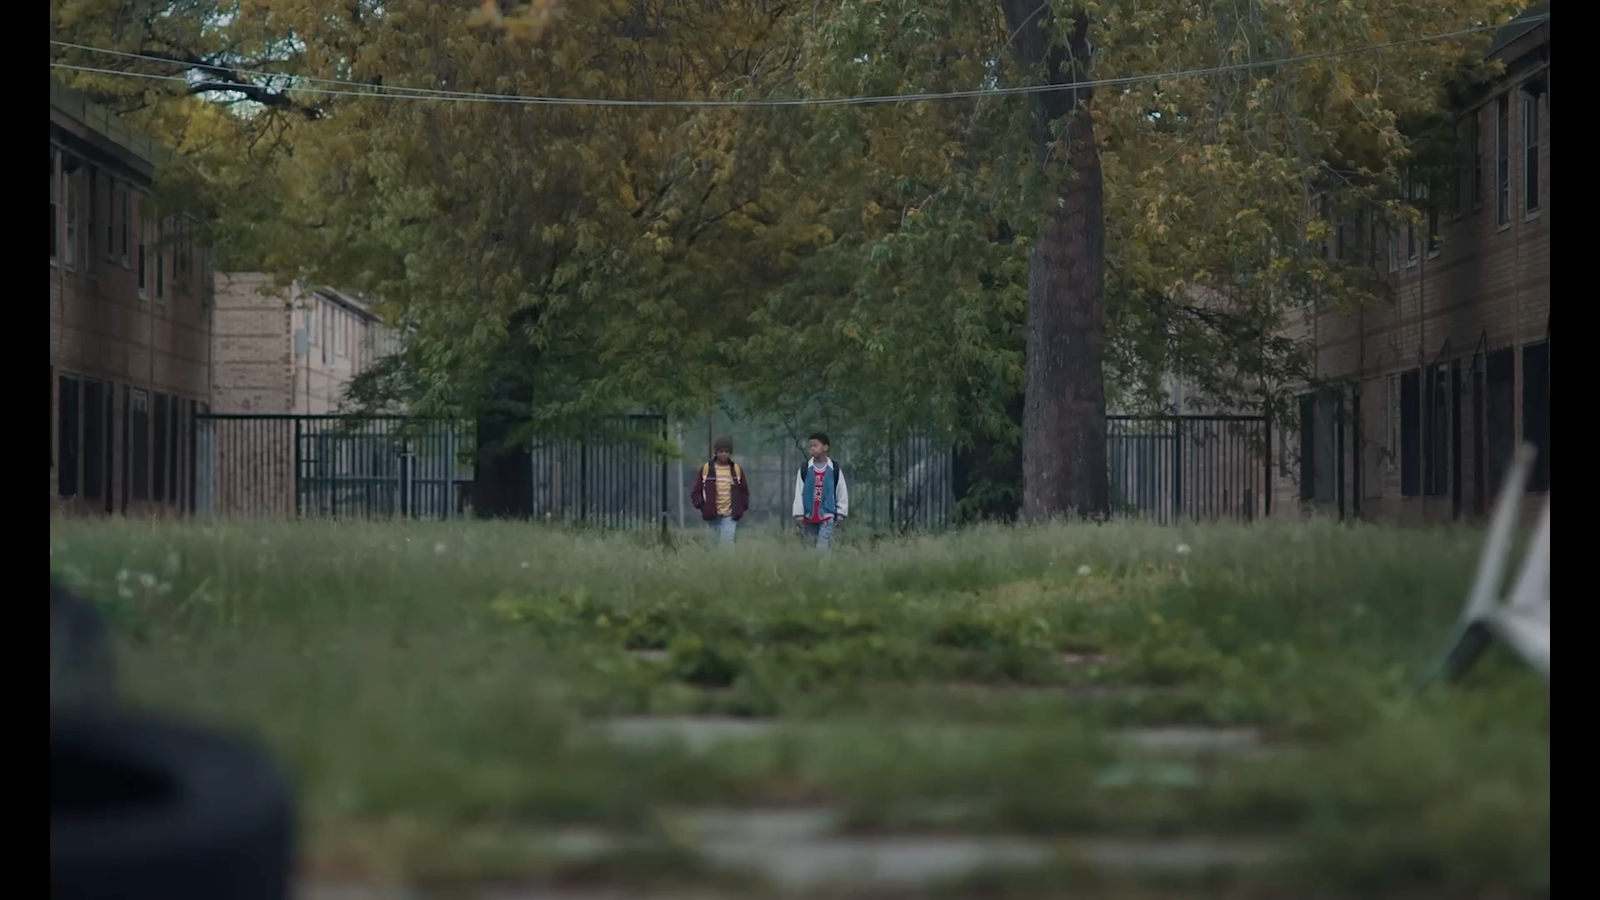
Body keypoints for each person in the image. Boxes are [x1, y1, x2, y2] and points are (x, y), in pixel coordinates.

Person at [792, 432, 849, 552]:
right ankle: (812, 569)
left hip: (827, 516)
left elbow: (841, 491)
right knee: (809, 547)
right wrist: (798, 514)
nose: (812, 448)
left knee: (822, 548)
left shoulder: (834, 469)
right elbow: (799, 492)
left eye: (815, 445)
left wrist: (841, 513)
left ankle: (823, 568)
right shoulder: (805, 469)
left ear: (825, 447)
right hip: (809, 516)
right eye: (810, 446)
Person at [690, 436, 749, 546]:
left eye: (726, 451)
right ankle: (716, 563)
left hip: (730, 515)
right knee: (713, 545)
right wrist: (703, 507)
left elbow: (744, 491)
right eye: (721, 451)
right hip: (712, 515)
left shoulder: (736, 470)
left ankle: (728, 563)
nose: (723, 454)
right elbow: (696, 492)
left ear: (730, 453)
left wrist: (742, 506)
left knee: (727, 544)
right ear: (716, 452)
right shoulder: (706, 469)